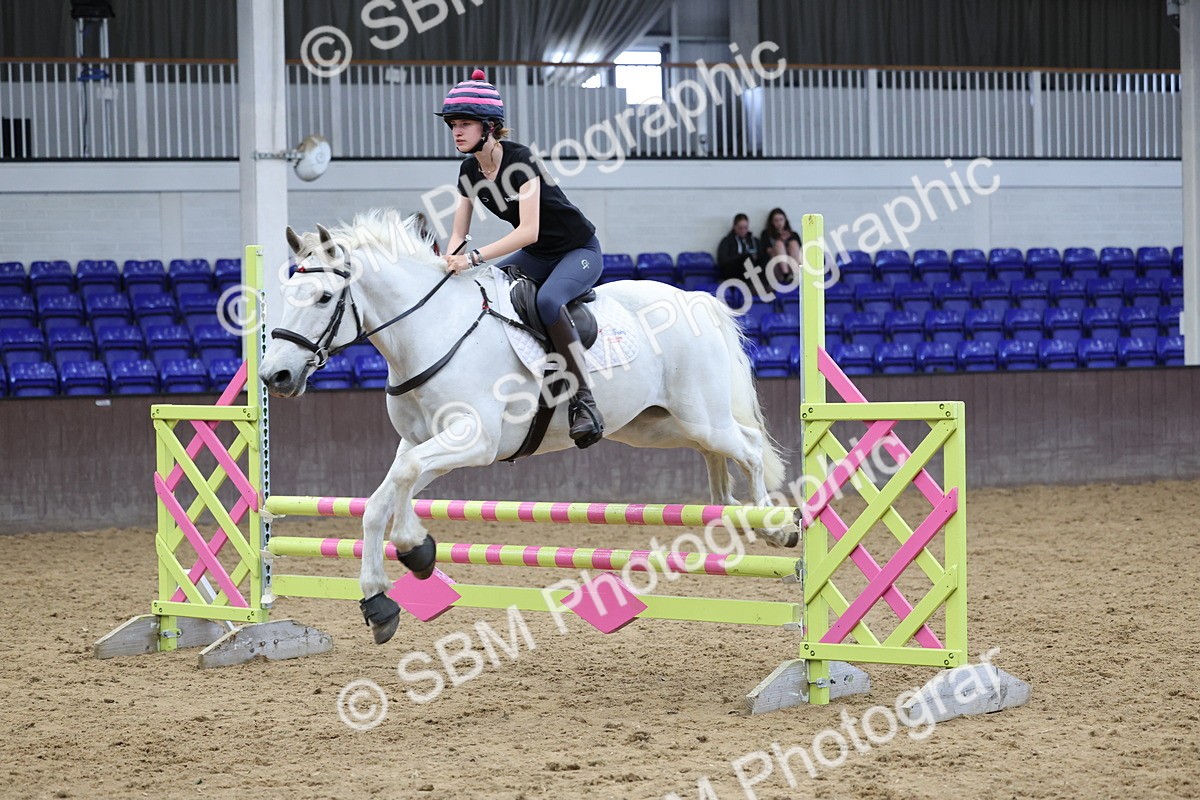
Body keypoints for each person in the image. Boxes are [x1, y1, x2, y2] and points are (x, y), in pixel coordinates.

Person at [437, 69, 604, 448]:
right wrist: (449, 261)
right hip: (538, 256)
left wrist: (474, 257)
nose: (456, 132)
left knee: (547, 301)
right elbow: (458, 234)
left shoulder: (521, 160)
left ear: (490, 127)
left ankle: (584, 402)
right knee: (482, 289)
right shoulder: (468, 170)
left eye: (465, 124)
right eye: (452, 125)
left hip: (578, 252)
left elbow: (528, 231)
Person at [716, 213, 763, 281]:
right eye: (740, 228)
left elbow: (761, 256)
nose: (743, 231)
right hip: (734, 271)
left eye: (745, 228)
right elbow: (722, 261)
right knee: (746, 258)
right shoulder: (727, 241)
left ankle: (765, 284)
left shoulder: (754, 241)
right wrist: (741, 256)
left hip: (752, 270)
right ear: (734, 227)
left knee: (765, 259)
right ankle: (754, 285)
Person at [760, 207, 800, 282]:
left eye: (781, 220)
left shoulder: (793, 234)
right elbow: (768, 251)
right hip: (776, 265)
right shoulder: (766, 234)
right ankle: (786, 274)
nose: (779, 223)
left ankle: (795, 273)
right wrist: (780, 241)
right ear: (771, 222)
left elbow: (799, 252)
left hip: (792, 263)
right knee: (779, 244)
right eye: (776, 220)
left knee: (793, 243)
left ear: (785, 220)